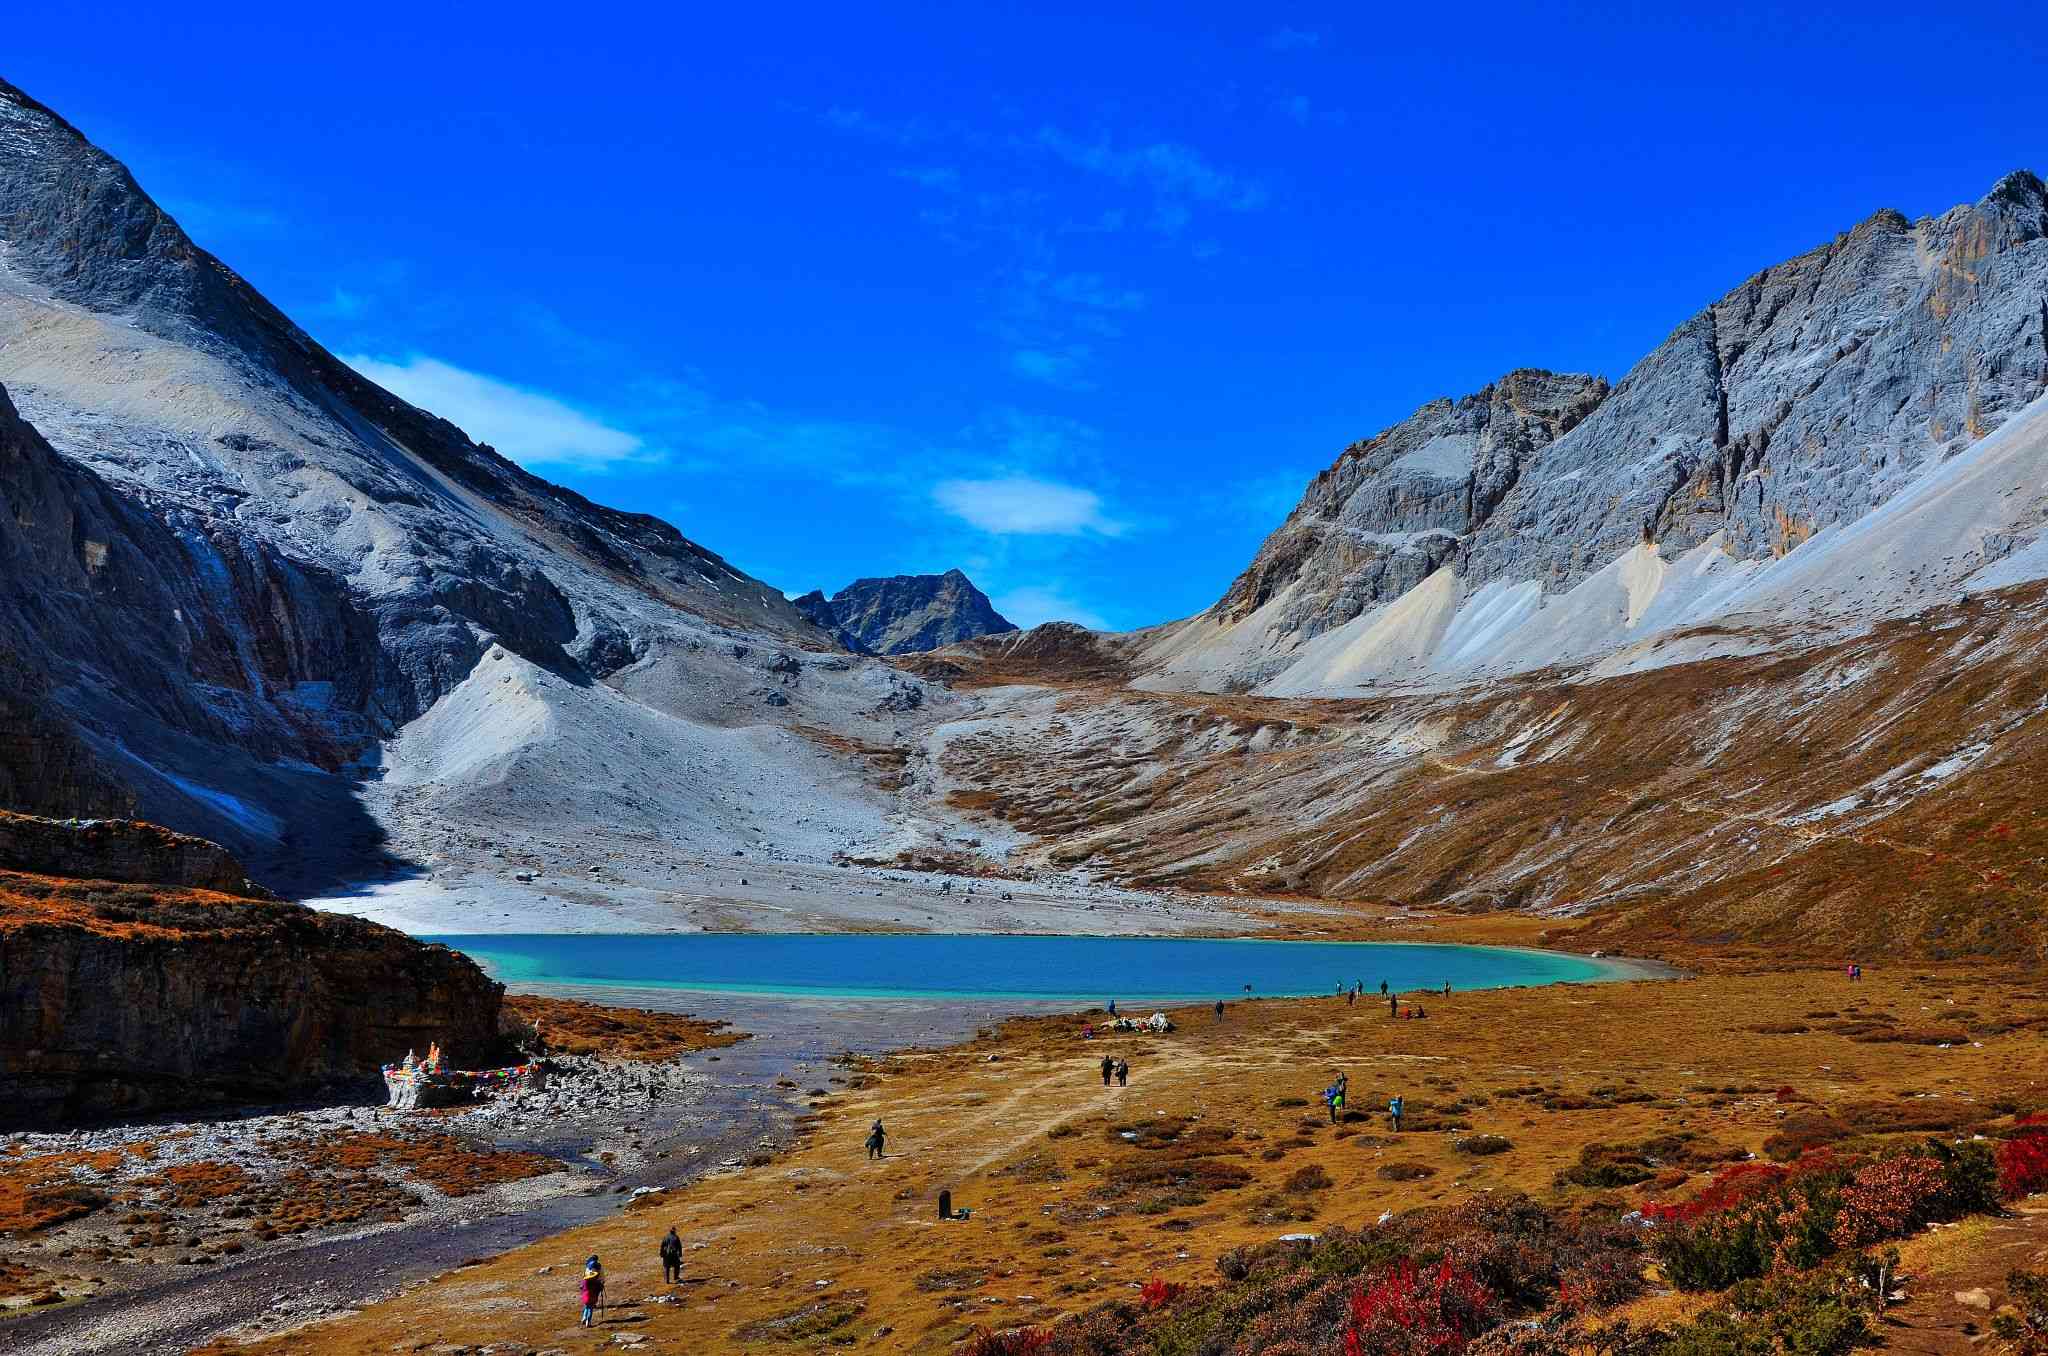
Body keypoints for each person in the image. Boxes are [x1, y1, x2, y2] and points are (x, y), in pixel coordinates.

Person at [580, 1256, 605, 1326]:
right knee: (591, 1307)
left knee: (586, 1305)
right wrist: (602, 1283)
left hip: (586, 1295)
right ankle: (588, 1321)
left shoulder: (587, 1268)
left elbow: (581, 1287)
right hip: (594, 1294)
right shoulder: (599, 1267)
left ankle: (584, 1317)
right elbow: (602, 1277)